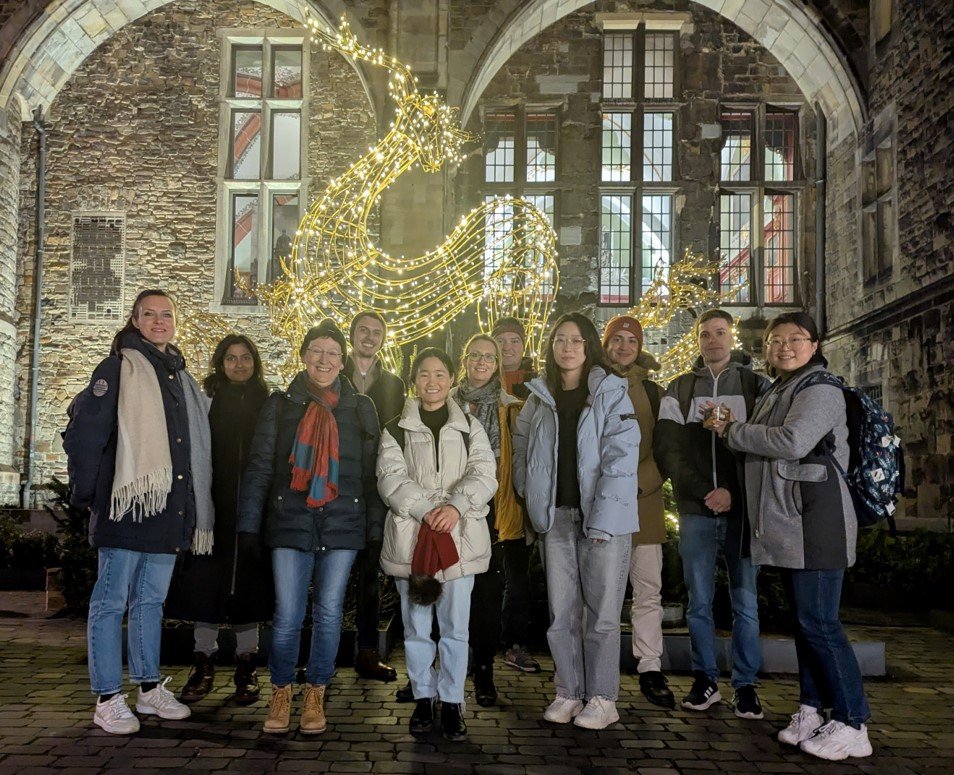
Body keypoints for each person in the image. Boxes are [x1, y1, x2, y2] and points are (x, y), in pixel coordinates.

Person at [709, 312, 872, 761]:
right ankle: (813, 709)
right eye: (775, 340)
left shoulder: (820, 387)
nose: (784, 347)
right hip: (792, 523)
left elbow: (794, 440)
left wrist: (733, 431)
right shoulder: (781, 387)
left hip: (818, 522)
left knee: (821, 623)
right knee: (805, 624)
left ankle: (853, 722)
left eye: (795, 339)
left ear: (814, 343)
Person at [236, 319, 384, 735]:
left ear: (343, 360)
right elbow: (261, 468)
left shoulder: (361, 408)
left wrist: (374, 531)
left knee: (330, 612)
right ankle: (282, 689)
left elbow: (372, 476)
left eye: (332, 353)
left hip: (343, 521)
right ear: (304, 356)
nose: (324, 359)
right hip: (290, 520)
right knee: (287, 615)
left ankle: (317, 689)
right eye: (316, 351)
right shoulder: (282, 405)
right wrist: (249, 527)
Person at [63, 289, 202, 734]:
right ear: (136, 320)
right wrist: (88, 495)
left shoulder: (178, 376)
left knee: (150, 602)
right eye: (150, 314)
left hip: (164, 510)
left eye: (166, 315)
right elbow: (85, 435)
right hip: (125, 507)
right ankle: (106, 697)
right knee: (109, 603)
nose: (159, 321)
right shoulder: (118, 368)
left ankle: (147, 690)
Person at [512, 312, 640, 730]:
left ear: (589, 347)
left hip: (601, 519)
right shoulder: (538, 396)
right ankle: (568, 691)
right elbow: (522, 448)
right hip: (556, 520)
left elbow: (622, 459)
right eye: (560, 340)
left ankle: (603, 697)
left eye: (576, 341)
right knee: (561, 613)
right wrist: (532, 500)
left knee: (602, 614)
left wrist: (603, 518)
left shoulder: (610, 392)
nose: (567, 348)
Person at [377, 348, 497, 742]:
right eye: (425, 374)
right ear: (415, 380)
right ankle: (423, 698)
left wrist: (457, 506)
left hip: (458, 539)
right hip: (414, 539)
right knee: (416, 627)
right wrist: (429, 510)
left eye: (440, 374)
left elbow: (484, 473)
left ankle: (451, 702)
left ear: (451, 378)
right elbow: (390, 479)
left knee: (455, 628)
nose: (432, 382)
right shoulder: (395, 429)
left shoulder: (470, 427)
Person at [654, 308, 769, 719]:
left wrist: (733, 494)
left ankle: (745, 685)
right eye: (705, 335)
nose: (713, 341)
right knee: (698, 601)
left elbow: (764, 446)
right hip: (696, 510)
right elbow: (669, 450)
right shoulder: (680, 389)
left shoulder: (758, 386)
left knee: (746, 602)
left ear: (731, 337)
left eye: (720, 333)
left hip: (742, 513)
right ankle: (705, 680)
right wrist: (706, 492)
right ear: (698, 341)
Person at [165, 334, 271, 705]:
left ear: (255, 362)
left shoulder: (267, 402)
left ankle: (246, 664)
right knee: (205, 587)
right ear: (220, 363)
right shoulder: (206, 400)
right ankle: (203, 661)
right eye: (231, 358)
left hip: (252, 512)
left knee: (248, 588)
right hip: (211, 509)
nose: (238, 365)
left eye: (245, 358)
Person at [450, 334, 540, 707]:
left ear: (498, 363)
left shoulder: (511, 407)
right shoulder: (445, 400)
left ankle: (484, 671)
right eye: (476, 355)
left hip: (488, 515)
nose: (482, 362)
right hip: (447, 511)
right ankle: (444, 670)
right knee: (447, 594)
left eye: (490, 357)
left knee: (486, 596)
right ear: (465, 360)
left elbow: (513, 466)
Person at [601, 315, 674, 709]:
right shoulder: (592, 383)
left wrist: (649, 479)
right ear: (607, 344)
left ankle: (650, 666)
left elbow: (666, 445)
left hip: (644, 498)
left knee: (647, 589)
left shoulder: (653, 391)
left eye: (631, 340)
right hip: (603, 501)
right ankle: (603, 666)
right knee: (604, 591)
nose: (624, 346)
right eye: (617, 339)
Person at [343, 310, 406, 682]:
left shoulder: (394, 386)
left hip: (374, 490)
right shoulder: (332, 375)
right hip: (335, 486)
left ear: (384, 339)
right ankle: (321, 650)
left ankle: (367, 652)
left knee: (369, 573)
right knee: (329, 574)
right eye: (363, 331)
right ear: (352, 336)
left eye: (376, 332)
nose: (369, 337)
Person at [492, 317, 536, 399]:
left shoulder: (538, 385)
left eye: (514, 341)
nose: (506, 348)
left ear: (523, 347)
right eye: (500, 341)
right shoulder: (480, 381)